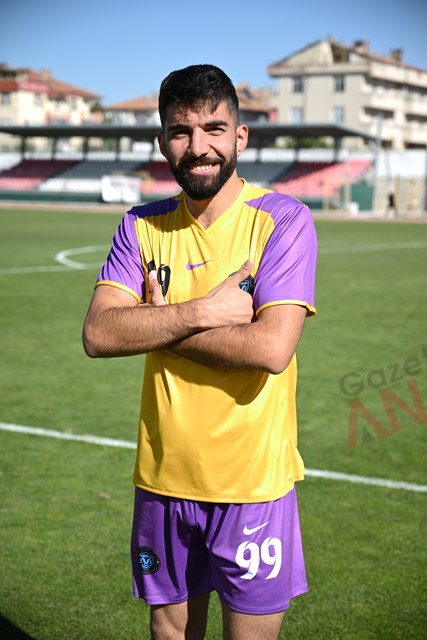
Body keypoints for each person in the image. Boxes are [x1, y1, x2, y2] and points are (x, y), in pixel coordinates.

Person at [83, 64, 317, 640]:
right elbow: (99, 334)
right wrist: (202, 313)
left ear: (240, 136)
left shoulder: (283, 220)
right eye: (181, 132)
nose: (199, 147)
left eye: (214, 129)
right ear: (162, 141)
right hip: (163, 480)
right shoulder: (140, 224)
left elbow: (271, 348)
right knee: (169, 633)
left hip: (252, 487)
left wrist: (156, 322)